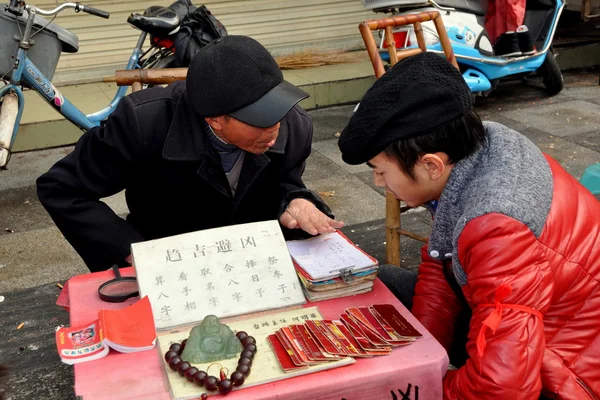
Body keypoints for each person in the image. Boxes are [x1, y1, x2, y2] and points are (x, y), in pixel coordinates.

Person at [338, 51, 600, 399]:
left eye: (381, 171)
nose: (377, 182)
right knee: (387, 283)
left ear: (430, 165)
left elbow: (502, 387)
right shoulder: (478, 148)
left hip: (568, 366)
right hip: (530, 318)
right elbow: (439, 259)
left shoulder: (495, 223)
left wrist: (424, 388)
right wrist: (421, 356)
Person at [37, 35, 343, 273]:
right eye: (261, 118)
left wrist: (296, 199)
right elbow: (63, 189)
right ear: (215, 120)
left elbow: (283, 183)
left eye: (278, 108)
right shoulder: (143, 124)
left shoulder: (294, 126)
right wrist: (128, 250)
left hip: (251, 261)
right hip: (168, 257)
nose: (275, 126)